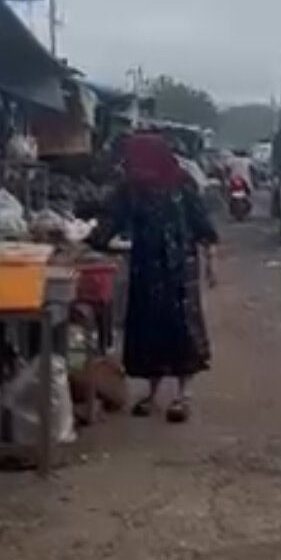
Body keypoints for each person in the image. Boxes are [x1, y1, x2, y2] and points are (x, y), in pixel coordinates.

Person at [99, 132, 219, 422]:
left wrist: (211, 263)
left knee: (182, 330)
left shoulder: (182, 183)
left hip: (180, 269)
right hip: (146, 269)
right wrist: (88, 236)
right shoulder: (130, 188)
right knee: (148, 330)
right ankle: (152, 394)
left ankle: (182, 396)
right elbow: (111, 221)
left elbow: (201, 224)